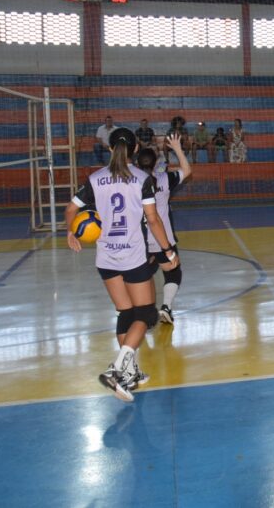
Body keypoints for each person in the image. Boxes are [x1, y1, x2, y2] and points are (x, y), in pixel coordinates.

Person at [65, 127, 179, 402]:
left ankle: (131, 373)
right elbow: (152, 219)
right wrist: (168, 249)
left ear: (109, 148)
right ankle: (117, 370)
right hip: (133, 257)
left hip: (106, 259)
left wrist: (72, 231)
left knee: (125, 313)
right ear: (136, 149)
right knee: (146, 315)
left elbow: (71, 210)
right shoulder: (141, 179)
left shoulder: (95, 178)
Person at [136, 133, 192, 323]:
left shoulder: (131, 181)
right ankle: (166, 307)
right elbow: (186, 170)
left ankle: (140, 310)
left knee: (143, 274)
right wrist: (176, 147)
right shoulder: (165, 179)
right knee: (173, 272)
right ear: (154, 163)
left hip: (139, 241)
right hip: (163, 240)